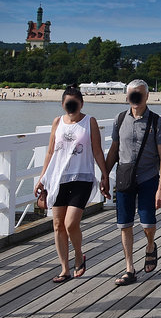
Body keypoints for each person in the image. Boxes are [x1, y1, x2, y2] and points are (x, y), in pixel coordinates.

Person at [35, 86, 109, 283]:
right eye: (68, 103)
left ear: (81, 104)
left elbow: (97, 151)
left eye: (75, 103)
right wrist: (42, 179)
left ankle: (78, 254)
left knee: (70, 223)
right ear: (62, 104)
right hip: (58, 178)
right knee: (58, 225)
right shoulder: (57, 122)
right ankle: (64, 269)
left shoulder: (89, 122)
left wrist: (105, 175)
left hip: (82, 178)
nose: (71, 106)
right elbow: (50, 152)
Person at [105, 80, 161, 286]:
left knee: (148, 223)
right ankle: (129, 268)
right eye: (132, 94)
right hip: (125, 177)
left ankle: (150, 245)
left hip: (148, 178)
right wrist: (104, 176)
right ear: (127, 96)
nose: (136, 98)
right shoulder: (119, 119)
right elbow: (114, 150)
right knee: (125, 224)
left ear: (147, 96)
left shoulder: (157, 122)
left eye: (139, 94)